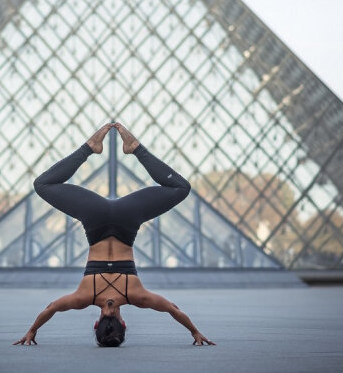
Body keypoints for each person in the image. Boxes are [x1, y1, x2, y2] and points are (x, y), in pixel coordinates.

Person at [13, 122, 215, 347]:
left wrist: (195, 332)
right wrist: (32, 331)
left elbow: (173, 310)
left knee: (180, 188)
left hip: (126, 219)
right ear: (96, 325)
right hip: (95, 218)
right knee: (43, 184)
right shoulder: (84, 296)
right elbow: (50, 309)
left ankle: (135, 148)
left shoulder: (136, 295)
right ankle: (90, 147)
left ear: (125, 324)